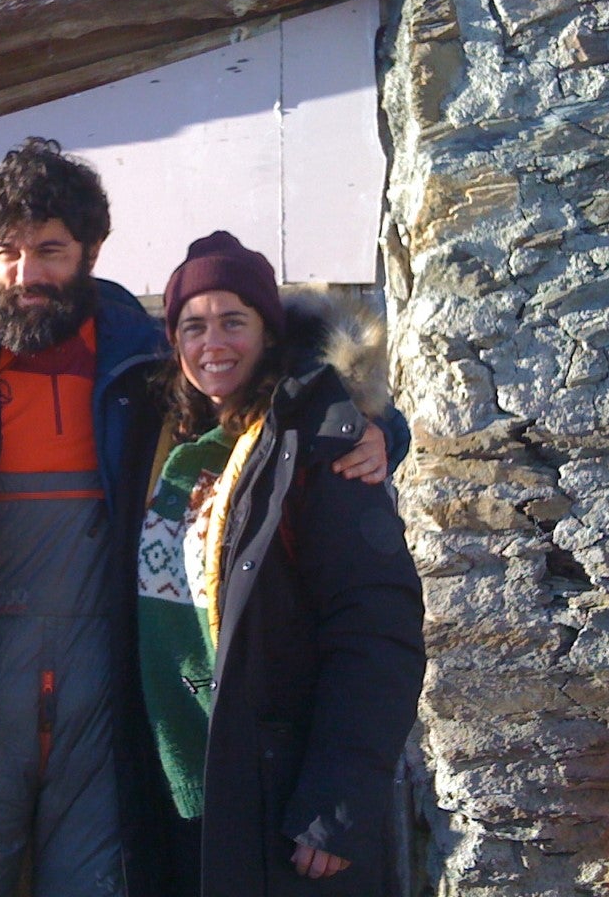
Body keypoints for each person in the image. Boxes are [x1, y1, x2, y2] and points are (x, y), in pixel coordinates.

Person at [0, 138, 403, 897]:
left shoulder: (141, 374)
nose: (27, 274)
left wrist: (380, 430)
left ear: (90, 251)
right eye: (8, 253)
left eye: (49, 250)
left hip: (102, 725)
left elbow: (268, 388)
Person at [131, 231, 426, 896]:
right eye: (193, 326)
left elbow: (377, 630)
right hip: (179, 797)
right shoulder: (166, 447)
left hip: (281, 799)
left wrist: (335, 807)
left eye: (234, 321)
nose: (214, 344)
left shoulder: (318, 441)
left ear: (269, 330)